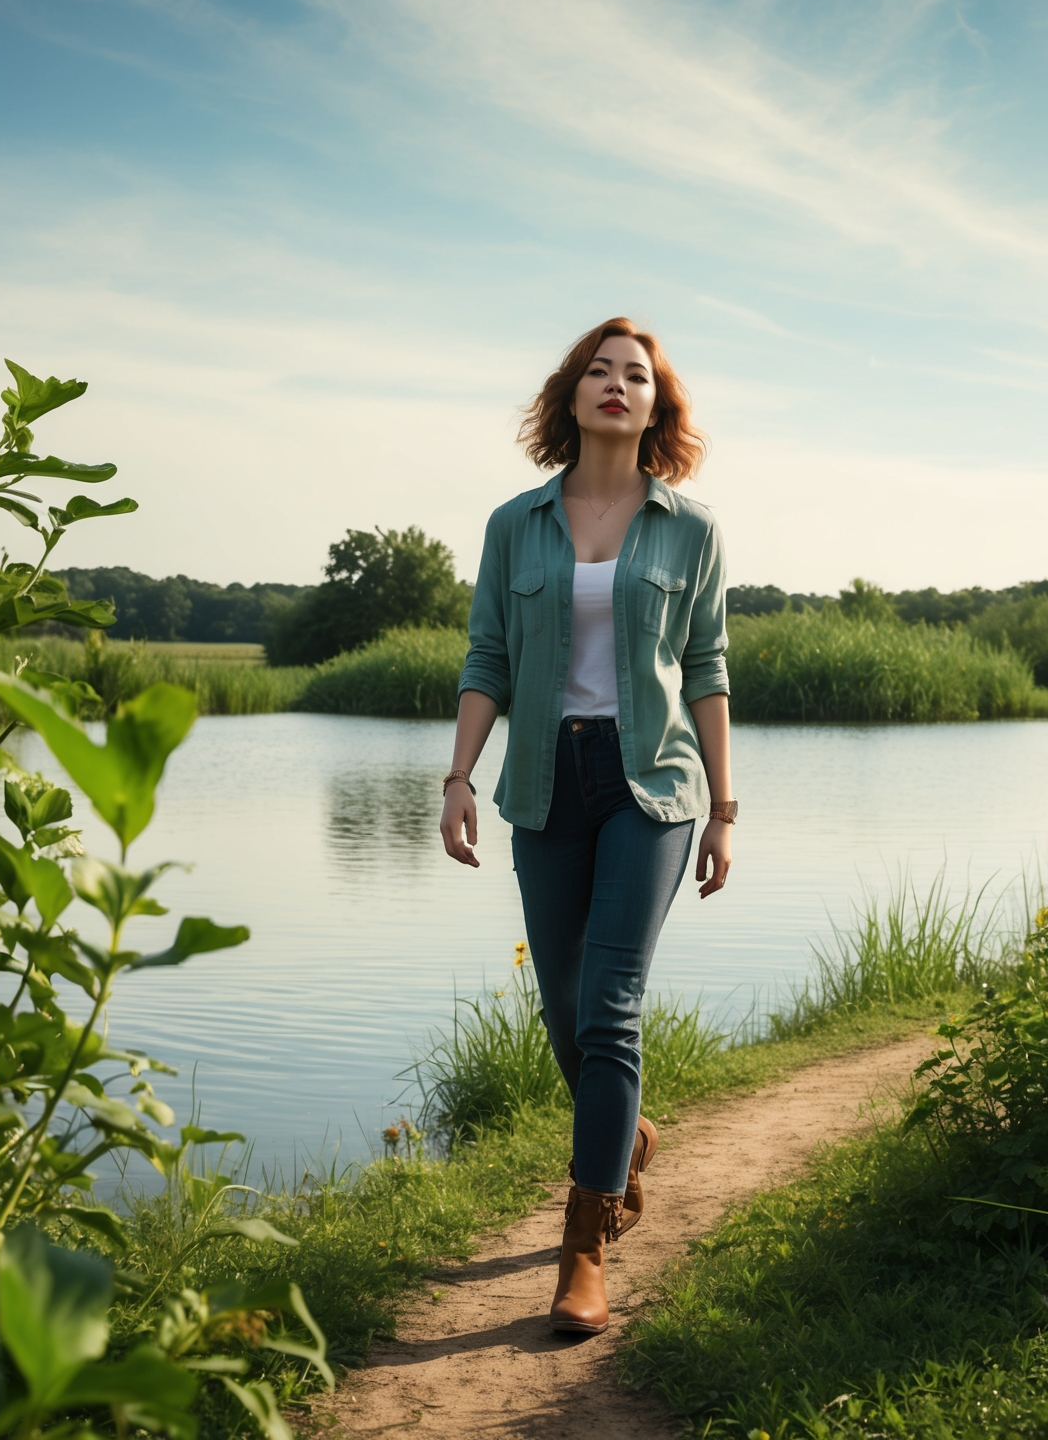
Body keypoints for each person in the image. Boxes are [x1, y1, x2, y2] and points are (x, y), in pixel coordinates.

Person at [439, 315, 735, 1335]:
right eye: (599, 372)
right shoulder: (514, 525)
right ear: (571, 396)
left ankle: (583, 1242)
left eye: (636, 375)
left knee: (610, 1004)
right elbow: (488, 659)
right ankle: (627, 1134)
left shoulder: (690, 531)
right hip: (544, 780)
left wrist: (724, 810)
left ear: (657, 406)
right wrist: (458, 777)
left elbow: (706, 670)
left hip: (650, 784)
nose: (617, 385)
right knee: (566, 1015)